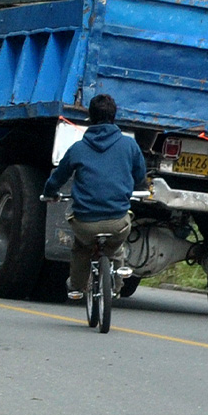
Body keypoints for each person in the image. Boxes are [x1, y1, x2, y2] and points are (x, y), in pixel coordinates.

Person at [42, 93, 148, 301]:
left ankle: (77, 286)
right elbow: (140, 178)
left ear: (90, 117)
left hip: (85, 225)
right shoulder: (129, 146)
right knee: (115, 248)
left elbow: (57, 179)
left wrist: (49, 194)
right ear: (114, 116)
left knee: (81, 248)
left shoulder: (78, 149)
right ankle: (116, 285)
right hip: (117, 223)